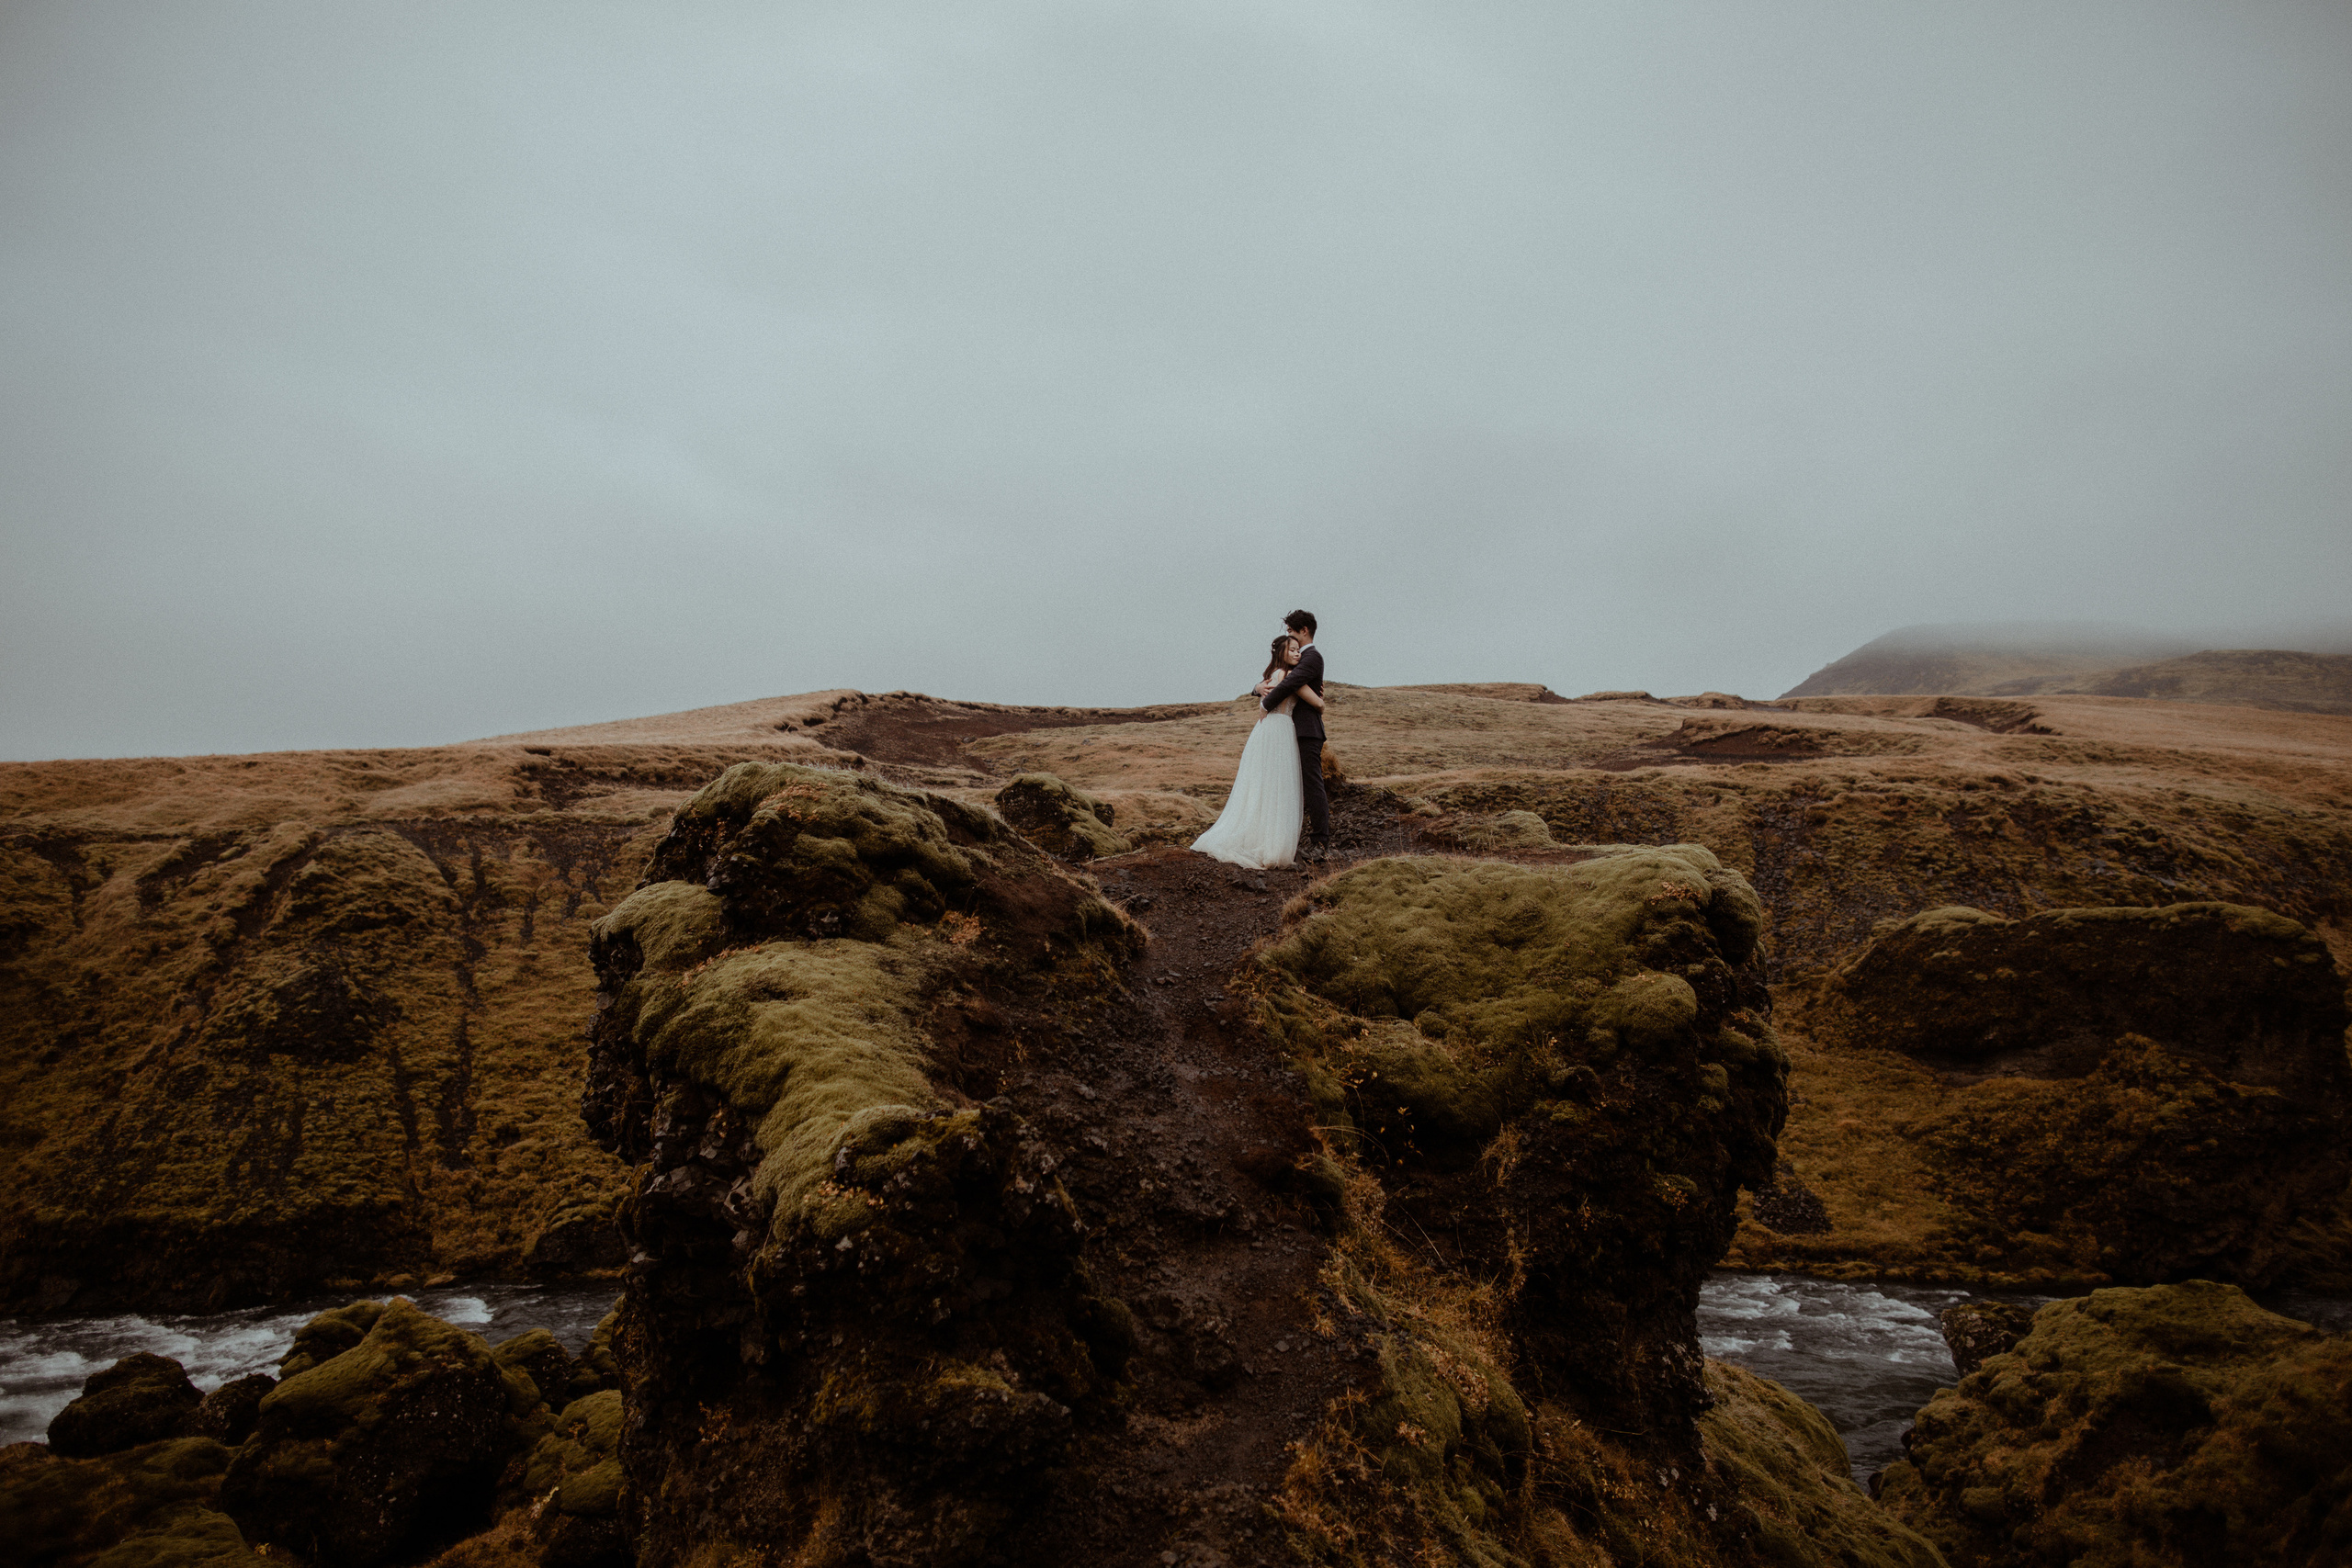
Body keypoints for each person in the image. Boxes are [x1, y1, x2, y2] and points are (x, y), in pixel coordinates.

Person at [1190, 634, 1326, 868]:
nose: (1297, 653)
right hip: (1281, 731)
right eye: (1292, 650)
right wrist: (1319, 696)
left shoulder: (1271, 676)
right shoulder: (1289, 676)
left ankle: (1259, 836)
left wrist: (1256, 689)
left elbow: (1266, 693)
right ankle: (1273, 844)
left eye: (1298, 650)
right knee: (1280, 786)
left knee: (1263, 784)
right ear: (1281, 653)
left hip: (1266, 731)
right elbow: (1318, 704)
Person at [1254, 610, 1330, 860]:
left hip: (1307, 731)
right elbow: (1280, 678)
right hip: (1292, 730)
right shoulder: (1297, 662)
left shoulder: (1312, 657)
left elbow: (1289, 683)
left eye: (1291, 632)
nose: (1289, 638)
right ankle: (1291, 838)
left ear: (1304, 630)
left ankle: (1320, 842)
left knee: (1312, 784)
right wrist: (1256, 688)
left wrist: (1265, 704)